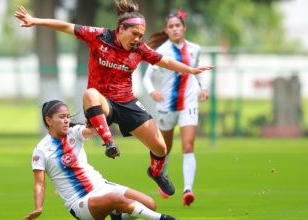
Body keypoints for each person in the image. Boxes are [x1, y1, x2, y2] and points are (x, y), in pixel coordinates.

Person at [14, 0, 213, 197]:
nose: (137, 39)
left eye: (141, 35)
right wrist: (35, 20)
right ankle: (109, 142)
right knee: (90, 94)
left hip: (126, 102)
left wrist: (191, 70)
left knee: (161, 147)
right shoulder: (98, 35)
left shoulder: (139, 49)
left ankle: (155, 172)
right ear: (120, 29)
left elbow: (166, 61)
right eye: (134, 34)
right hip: (101, 103)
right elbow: (66, 25)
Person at [24, 100, 177, 220]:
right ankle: (163, 219)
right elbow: (39, 184)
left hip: (102, 186)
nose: (66, 120)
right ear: (49, 120)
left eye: (67, 117)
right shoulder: (41, 150)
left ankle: (118, 218)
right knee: (116, 199)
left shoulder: (74, 132)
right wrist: (38, 207)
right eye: (61, 117)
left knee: (150, 204)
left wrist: (95, 120)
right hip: (80, 202)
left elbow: (92, 131)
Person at [142, 9, 208, 206]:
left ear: (184, 28)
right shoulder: (161, 51)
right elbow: (147, 77)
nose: (175, 29)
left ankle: (188, 190)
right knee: (165, 148)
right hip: (166, 105)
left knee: (188, 146)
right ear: (166, 30)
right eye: (171, 26)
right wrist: (153, 91)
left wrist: (203, 87)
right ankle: (163, 177)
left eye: (178, 25)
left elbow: (197, 71)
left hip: (189, 103)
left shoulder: (195, 49)